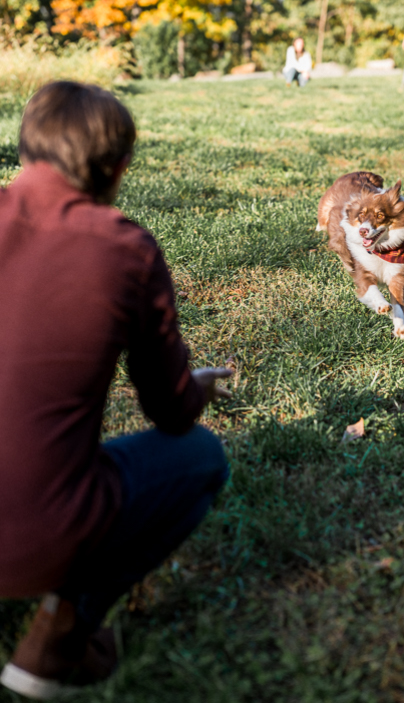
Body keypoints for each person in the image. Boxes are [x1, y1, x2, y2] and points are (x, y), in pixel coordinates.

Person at [0, 81, 233, 699]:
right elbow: (170, 410)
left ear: (23, 149)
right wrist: (195, 389)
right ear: (120, 166)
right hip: (28, 537)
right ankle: (59, 632)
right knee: (200, 458)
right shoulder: (123, 247)